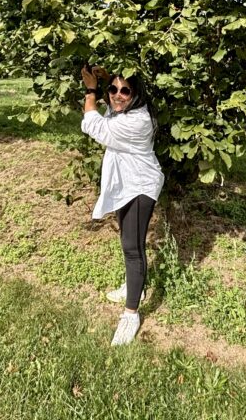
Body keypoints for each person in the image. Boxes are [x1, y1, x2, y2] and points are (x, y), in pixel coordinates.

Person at [80, 64, 164, 346]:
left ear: (136, 93)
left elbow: (92, 125)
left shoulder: (137, 121)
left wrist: (92, 89)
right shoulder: (126, 111)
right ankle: (133, 288)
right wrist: (106, 84)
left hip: (140, 186)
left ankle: (131, 314)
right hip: (125, 183)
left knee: (133, 246)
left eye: (125, 90)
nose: (117, 95)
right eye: (113, 89)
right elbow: (109, 111)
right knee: (128, 241)